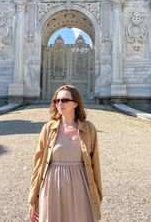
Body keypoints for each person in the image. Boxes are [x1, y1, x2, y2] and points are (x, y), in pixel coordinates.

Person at [28, 84, 103, 222]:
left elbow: (95, 164)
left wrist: (97, 196)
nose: (59, 103)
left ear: (75, 103)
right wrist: (33, 199)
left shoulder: (89, 128)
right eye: (57, 100)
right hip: (52, 186)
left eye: (64, 100)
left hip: (80, 185)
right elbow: (38, 165)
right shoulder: (48, 128)